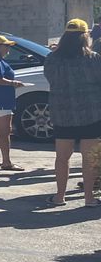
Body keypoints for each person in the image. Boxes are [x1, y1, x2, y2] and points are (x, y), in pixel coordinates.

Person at [43, 18, 101, 207]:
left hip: (62, 114)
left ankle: (60, 197)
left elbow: (50, 79)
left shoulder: (52, 59)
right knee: (89, 158)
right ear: (85, 36)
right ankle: (89, 198)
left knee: (62, 158)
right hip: (91, 114)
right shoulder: (93, 58)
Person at [0, 35, 27, 171]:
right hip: (1, 101)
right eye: (6, 46)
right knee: (5, 132)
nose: (8, 49)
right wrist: (14, 83)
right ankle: (6, 162)